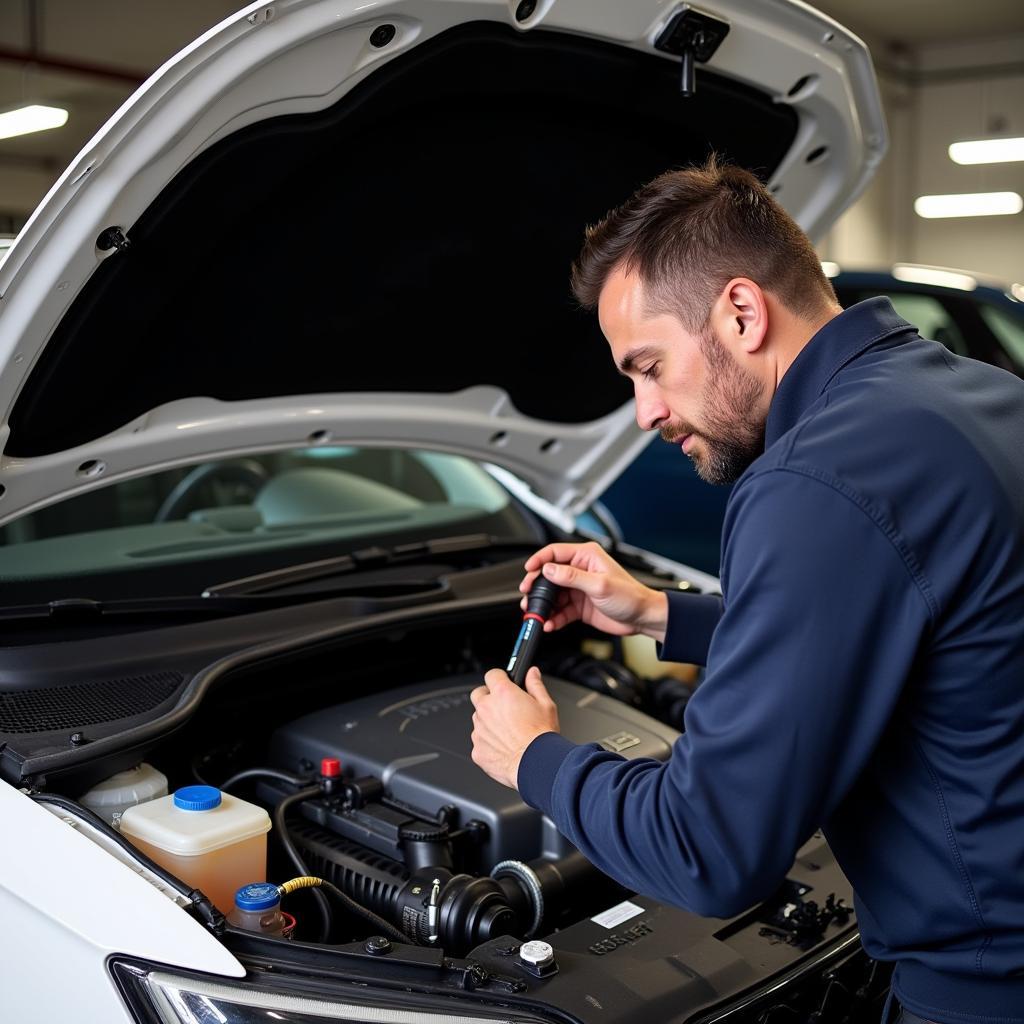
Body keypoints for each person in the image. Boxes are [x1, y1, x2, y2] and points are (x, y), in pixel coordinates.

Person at [468, 158, 1024, 1024]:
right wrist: (659, 613)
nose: (645, 412)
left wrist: (534, 757)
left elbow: (709, 851)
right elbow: (906, 625)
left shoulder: (815, 479)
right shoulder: (976, 396)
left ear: (740, 311)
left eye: (648, 366)